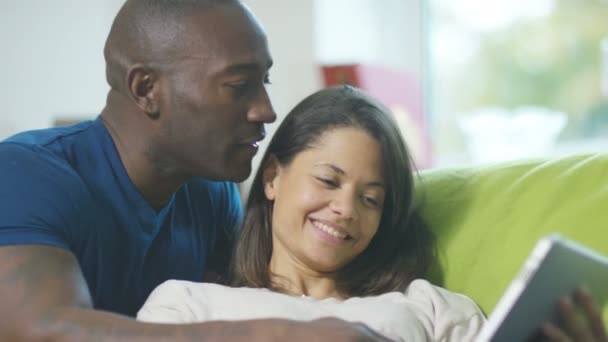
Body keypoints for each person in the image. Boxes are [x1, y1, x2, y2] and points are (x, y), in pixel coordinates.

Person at [0, 1, 391, 341]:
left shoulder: (211, 193)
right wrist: (281, 334)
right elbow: (40, 331)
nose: (266, 110)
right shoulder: (26, 173)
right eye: (239, 85)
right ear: (146, 89)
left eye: (264, 81)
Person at [137, 86, 608, 342]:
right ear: (273, 177)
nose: (344, 209)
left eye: (371, 199)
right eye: (328, 181)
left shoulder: (428, 309)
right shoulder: (185, 304)